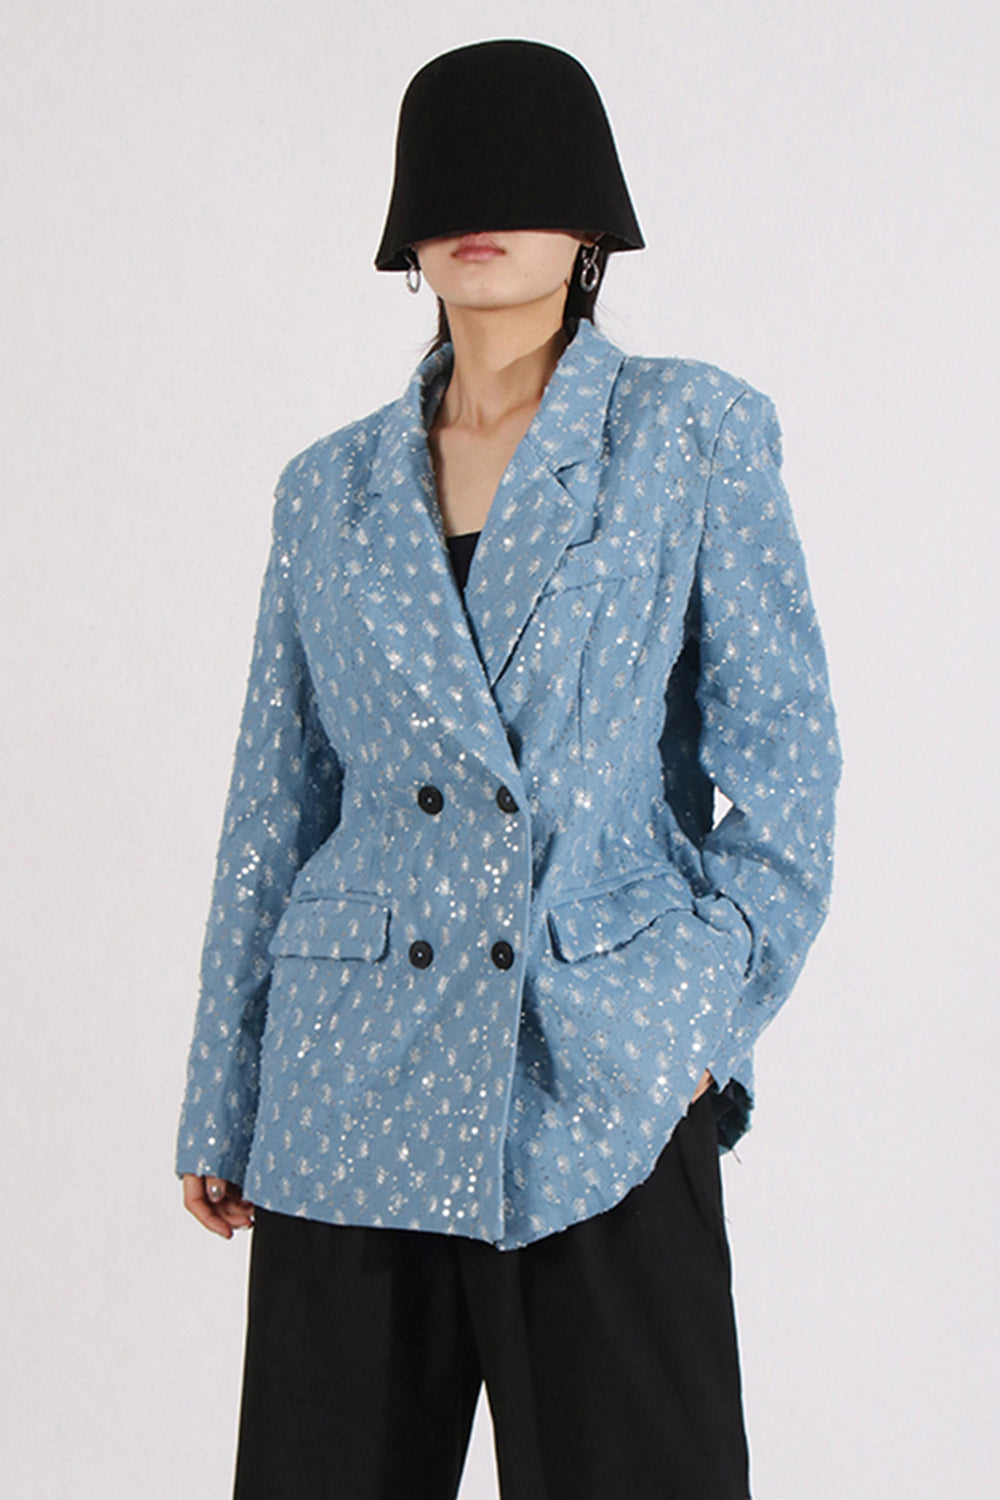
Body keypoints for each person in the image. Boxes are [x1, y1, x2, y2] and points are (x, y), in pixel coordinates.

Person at [176, 38, 842, 1500]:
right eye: (451, 177)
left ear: (592, 223)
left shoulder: (690, 433)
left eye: (528, 173)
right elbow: (272, 804)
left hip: (599, 1081)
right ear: (406, 228)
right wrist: (224, 1091)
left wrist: (692, 1024)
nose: (482, 210)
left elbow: (787, 771)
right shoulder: (327, 489)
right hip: (347, 1088)